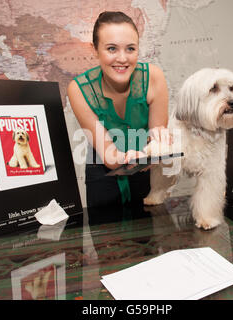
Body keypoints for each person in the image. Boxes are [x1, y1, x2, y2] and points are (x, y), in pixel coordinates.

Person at [67, 11, 170, 210]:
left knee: (148, 236)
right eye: (112, 49)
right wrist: (128, 157)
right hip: (103, 176)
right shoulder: (78, 89)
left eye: (130, 49)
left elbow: (157, 135)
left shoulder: (154, 77)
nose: (122, 59)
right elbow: (109, 156)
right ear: (95, 50)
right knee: (107, 236)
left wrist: (156, 148)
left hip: (145, 172)